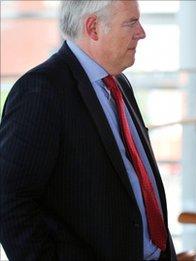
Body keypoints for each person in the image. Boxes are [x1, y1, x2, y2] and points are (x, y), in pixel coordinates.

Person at [0, 1, 176, 260]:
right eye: (131, 22)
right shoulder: (41, 90)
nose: (141, 32)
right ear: (93, 27)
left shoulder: (119, 83)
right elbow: (10, 200)